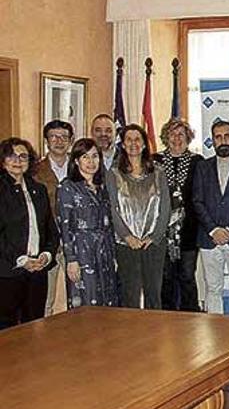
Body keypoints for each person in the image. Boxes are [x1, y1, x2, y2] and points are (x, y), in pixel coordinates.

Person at [106, 124, 171, 310]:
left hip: (153, 243)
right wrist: (127, 236)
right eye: (129, 139)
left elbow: (165, 207)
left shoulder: (158, 172)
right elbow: (112, 208)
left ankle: (154, 336)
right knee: (130, 294)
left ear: (144, 144)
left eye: (137, 139)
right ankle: (131, 337)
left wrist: (155, 236)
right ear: (123, 145)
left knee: (153, 294)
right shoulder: (113, 174)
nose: (133, 144)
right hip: (126, 243)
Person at [192, 120, 229, 316]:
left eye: (227, 136)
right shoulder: (202, 167)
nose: (223, 140)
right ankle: (216, 336)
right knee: (212, 289)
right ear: (212, 141)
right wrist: (214, 230)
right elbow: (197, 201)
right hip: (210, 238)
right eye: (218, 137)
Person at [0, 138, 58, 330]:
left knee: (34, 329)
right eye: (12, 156)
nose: (18, 160)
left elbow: (51, 230)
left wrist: (46, 255)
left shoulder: (38, 189)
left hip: (37, 272)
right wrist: (22, 259)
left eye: (23, 156)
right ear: (3, 160)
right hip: (8, 273)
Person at [56, 138, 119, 308]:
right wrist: (71, 259)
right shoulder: (67, 187)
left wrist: (113, 254)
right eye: (85, 157)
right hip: (82, 252)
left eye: (95, 156)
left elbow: (109, 223)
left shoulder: (102, 186)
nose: (91, 162)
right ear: (76, 161)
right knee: (85, 301)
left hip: (105, 250)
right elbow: (65, 225)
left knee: (109, 298)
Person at [154, 119, 204, 312]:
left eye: (181, 134)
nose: (176, 138)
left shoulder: (197, 161)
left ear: (188, 138)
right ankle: (167, 318)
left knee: (187, 277)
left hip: (189, 230)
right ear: (166, 137)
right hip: (162, 231)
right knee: (165, 277)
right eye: (172, 134)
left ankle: (190, 317)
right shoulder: (154, 161)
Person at [33, 119, 73, 316]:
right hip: (47, 244)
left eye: (64, 137)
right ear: (46, 141)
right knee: (45, 300)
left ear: (70, 141)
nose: (59, 141)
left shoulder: (80, 168)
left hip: (75, 243)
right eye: (54, 137)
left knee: (76, 297)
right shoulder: (34, 171)